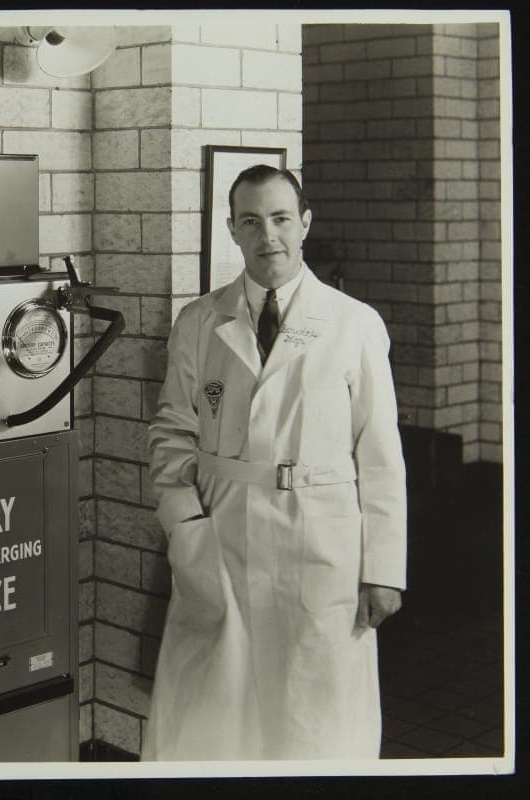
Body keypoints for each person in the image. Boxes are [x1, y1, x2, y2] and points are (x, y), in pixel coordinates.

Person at [141, 165, 407, 760]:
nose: (270, 237)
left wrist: (384, 567)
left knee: (315, 721)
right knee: (215, 720)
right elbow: (171, 434)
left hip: (321, 548)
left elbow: (381, 454)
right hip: (222, 536)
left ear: (305, 223)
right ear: (232, 229)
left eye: (282, 219)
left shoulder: (353, 324)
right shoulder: (199, 321)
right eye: (253, 222)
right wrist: (186, 527)